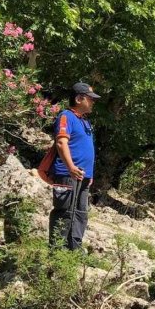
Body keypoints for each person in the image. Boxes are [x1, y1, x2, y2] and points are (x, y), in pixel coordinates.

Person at [48, 82, 99, 250]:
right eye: (90, 99)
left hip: (83, 176)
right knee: (64, 212)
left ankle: (74, 249)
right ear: (79, 99)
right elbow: (62, 143)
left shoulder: (86, 123)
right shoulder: (66, 116)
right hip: (67, 173)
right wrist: (70, 167)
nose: (93, 102)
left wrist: (89, 175)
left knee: (80, 213)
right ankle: (58, 251)